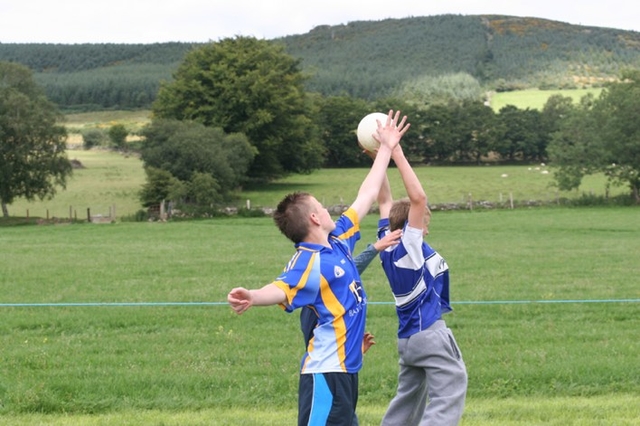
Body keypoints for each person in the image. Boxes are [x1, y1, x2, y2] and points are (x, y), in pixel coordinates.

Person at [227, 110, 409, 426]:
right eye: (321, 207)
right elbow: (280, 288)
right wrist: (253, 296)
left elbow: (367, 193)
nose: (327, 210)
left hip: (346, 372)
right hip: (325, 375)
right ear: (314, 219)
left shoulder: (338, 239)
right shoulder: (307, 262)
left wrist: (385, 149)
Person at [376, 143, 468, 426]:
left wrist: (379, 156)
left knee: (409, 398)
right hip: (428, 332)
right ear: (410, 227)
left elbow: (384, 202)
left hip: (408, 340)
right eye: (424, 224)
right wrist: (396, 153)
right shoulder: (408, 247)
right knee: (452, 385)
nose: (426, 229)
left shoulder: (387, 243)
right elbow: (419, 199)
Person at [298, 230, 402, 426]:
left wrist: (351, 350)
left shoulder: (329, 290)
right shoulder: (315, 288)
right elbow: (346, 273)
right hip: (325, 373)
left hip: (340, 371)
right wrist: (375, 248)